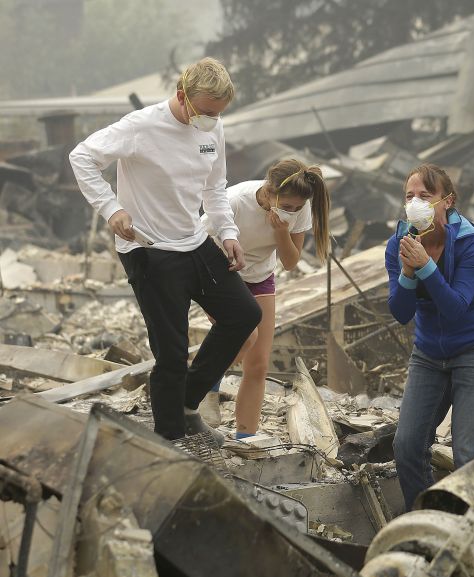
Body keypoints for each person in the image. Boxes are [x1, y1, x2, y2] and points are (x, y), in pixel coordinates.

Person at [69, 57, 261, 446]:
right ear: (182, 96)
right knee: (171, 352)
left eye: (219, 113)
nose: (212, 119)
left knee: (244, 314)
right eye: (206, 111)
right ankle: (170, 438)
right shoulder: (141, 127)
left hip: (194, 240)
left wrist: (227, 233)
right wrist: (112, 208)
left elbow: (215, 185)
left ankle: (186, 402)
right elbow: (82, 157)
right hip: (150, 248)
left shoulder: (212, 127)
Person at [386, 163, 474, 510]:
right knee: (407, 445)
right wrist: (409, 273)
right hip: (428, 354)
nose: (416, 204)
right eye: (409, 196)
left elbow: (456, 307)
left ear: (448, 201)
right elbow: (401, 312)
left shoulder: (471, 243)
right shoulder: (399, 243)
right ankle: (428, 521)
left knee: (467, 452)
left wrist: (425, 267)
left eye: (426, 196)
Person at [199, 159, 330, 439]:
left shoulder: (299, 209)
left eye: (296, 208)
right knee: (245, 336)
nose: (291, 211)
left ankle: (245, 437)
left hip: (260, 276)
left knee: (258, 363)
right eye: (286, 205)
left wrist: (282, 230)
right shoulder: (235, 201)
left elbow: (291, 261)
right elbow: (198, 242)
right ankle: (205, 385)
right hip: (220, 274)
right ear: (269, 191)